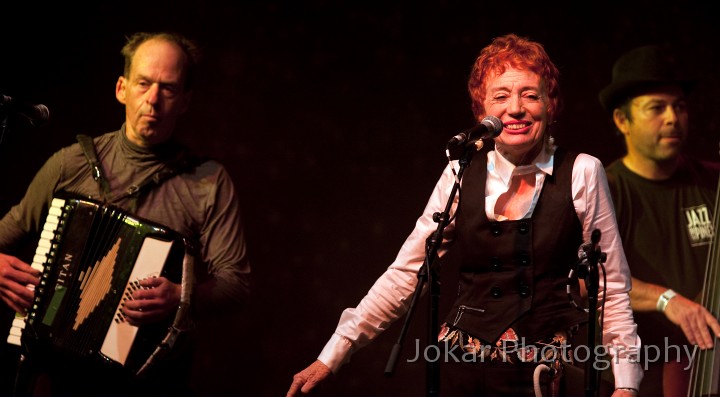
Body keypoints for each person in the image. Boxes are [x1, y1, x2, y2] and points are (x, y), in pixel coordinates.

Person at [287, 33, 642, 397]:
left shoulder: (582, 171)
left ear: (550, 105)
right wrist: (333, 353)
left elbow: (611, 287)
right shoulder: (461, 171)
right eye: (500, 96)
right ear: (481, 111)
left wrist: (627, 384)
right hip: (460, 370)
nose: (515, 108)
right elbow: (408, 273)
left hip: (541, 376)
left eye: (530, 95)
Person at [0, 31, 251, 396]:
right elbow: (8, 232)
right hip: (52, 376)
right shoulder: (70, 163)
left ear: (185, 101)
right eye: (144, 84)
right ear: (121, 88)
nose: (153, 99)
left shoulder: (209, 182)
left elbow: (237, 285)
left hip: (146, 381)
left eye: (168, 88)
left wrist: (182, 295)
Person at [599, 44, 720, 397]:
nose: (672, 118)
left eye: (678, 106)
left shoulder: (713, 182)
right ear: (622, 120)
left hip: (706, 366)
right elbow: (590, 281)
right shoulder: (606, 188)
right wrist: (668, 300)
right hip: (640, 373)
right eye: (656, 108)